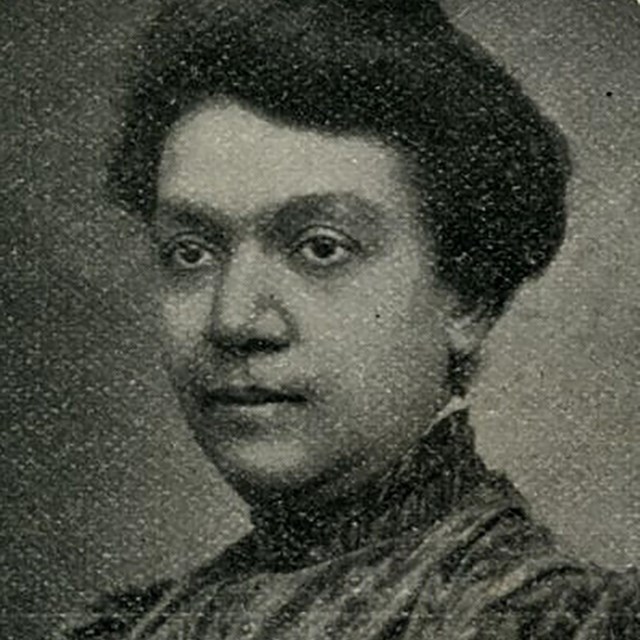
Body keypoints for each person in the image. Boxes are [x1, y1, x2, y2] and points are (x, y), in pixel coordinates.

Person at [60, 0, 638, 638]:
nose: (234, 319)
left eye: (321, 247)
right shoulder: (135, 629)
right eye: (190, 252)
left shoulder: (557, 623)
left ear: (466, 299)